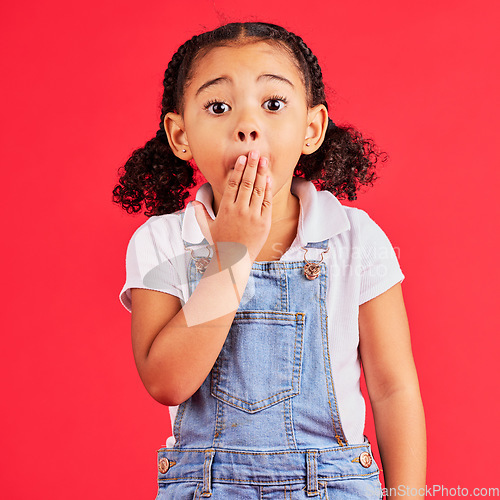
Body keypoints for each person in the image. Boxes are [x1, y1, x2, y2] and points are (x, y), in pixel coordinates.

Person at [113, 22, 426, 499]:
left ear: (311, 128)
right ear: (180, 135)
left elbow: (393, 390)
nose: (247, 123)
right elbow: (166, 381)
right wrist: (232, 255)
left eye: (273, 104)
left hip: (336, 485)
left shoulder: (353, 239)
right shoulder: (163, 242)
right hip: (206, 487)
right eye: (218, 106)